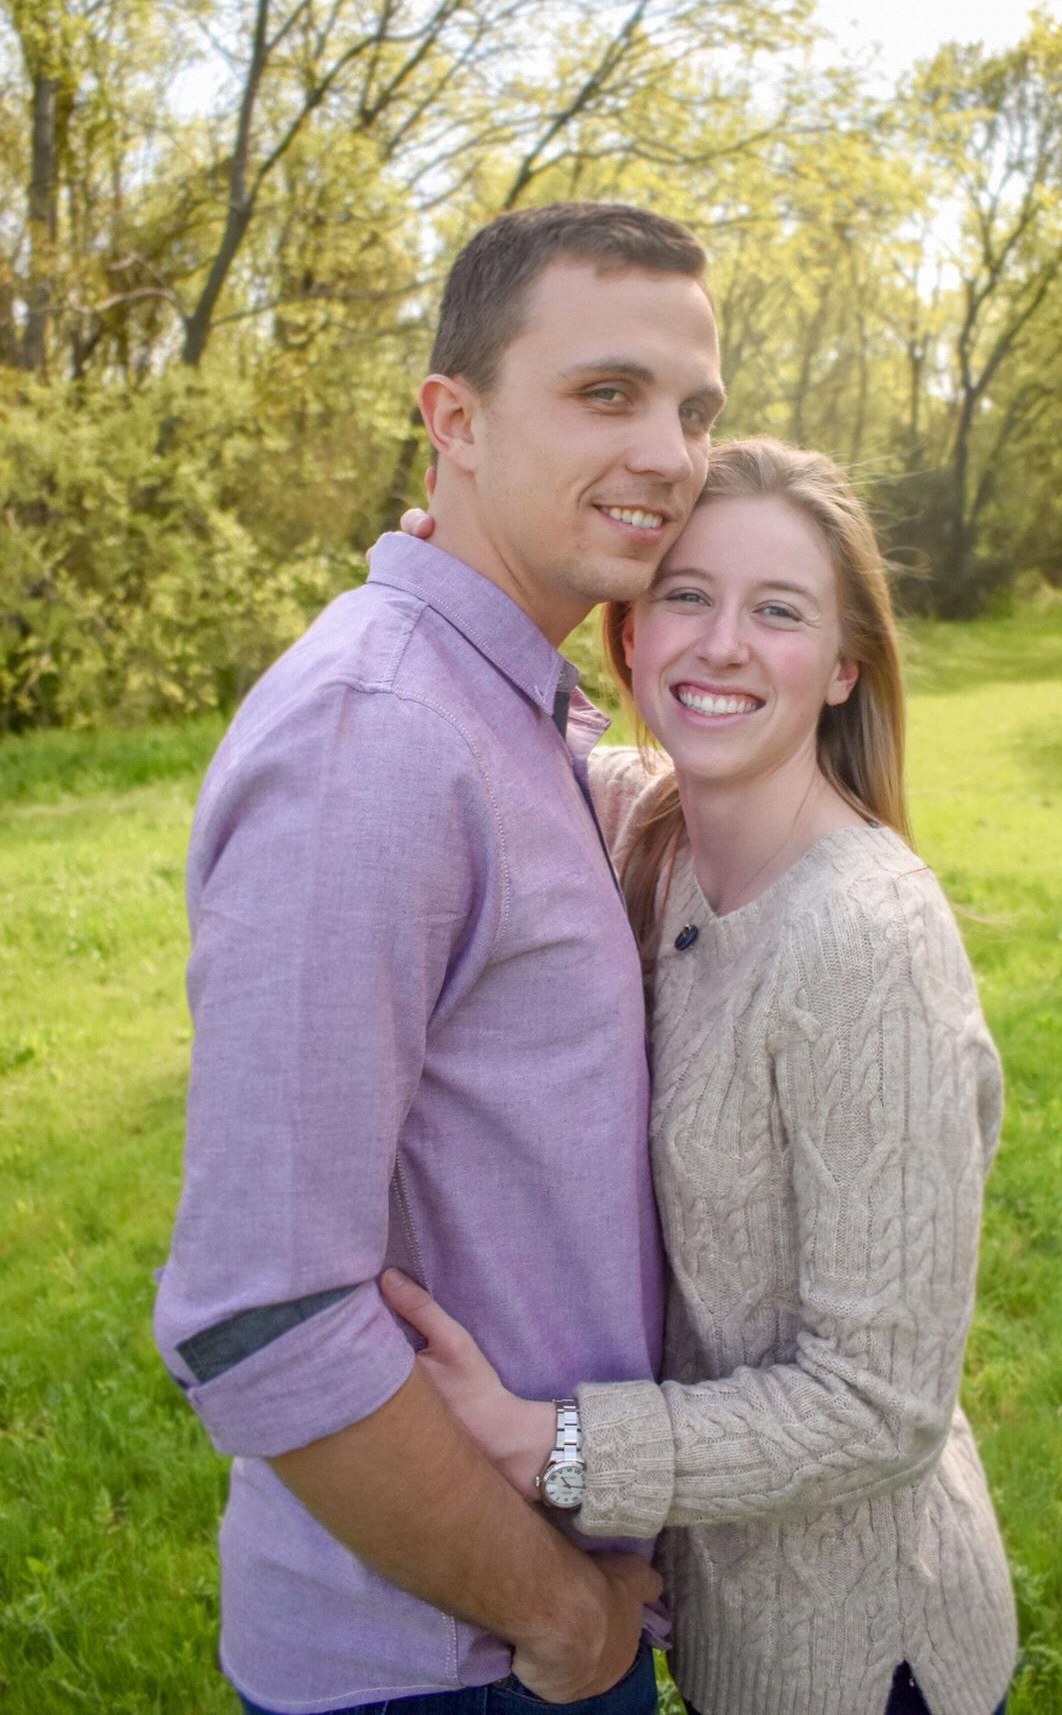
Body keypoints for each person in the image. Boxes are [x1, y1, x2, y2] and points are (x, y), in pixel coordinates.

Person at [153, 201, 728, 1715]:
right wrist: (562, 1614)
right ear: (453, 422)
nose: (670, 454)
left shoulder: (499, 702)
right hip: (451, 1656)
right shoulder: (382, 740)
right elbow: (262, 1313)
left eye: (693, 409)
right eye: (606, 392)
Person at [384, 438, 1018, 1715]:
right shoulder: (661, 834)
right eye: (687, 593)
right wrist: (453, 579)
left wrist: (547, 1442)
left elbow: (880, 1404)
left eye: (778, 610)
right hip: (725, 1638)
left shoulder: (867, 942)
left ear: (843, 665)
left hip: (863, 1657)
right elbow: (550, 741)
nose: (722, 644)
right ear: (633, 631)